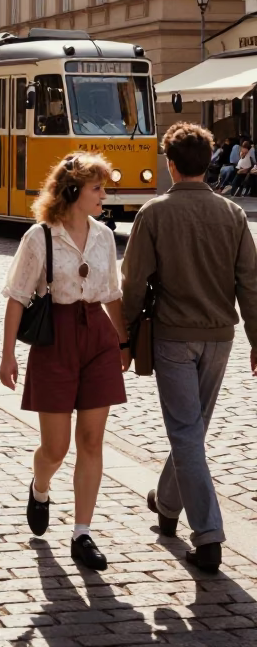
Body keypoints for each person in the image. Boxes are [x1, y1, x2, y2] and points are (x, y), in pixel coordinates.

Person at [122, 123, 257, 574]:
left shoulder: (154, 213)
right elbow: (250, 285)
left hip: (174, 337)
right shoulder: (234, 214)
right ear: (207, 163)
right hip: (220, 337)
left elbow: (133, 282)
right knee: (191, 431)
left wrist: (124, 336)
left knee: (185, 433)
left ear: (170, 163)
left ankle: (209, 535)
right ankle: (165, 503)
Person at [0, 153, 130, 572]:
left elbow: (111, 293)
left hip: (97, 339)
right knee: (56, 448)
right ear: (73, 191)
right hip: (54, 340)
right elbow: (18, 296)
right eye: (97, 188)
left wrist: (123, 342)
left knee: (91, 441)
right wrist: (7, 355)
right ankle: (40, 488)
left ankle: (82, 533)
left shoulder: (105, 237)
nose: (104, 196)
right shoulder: (40, 237)